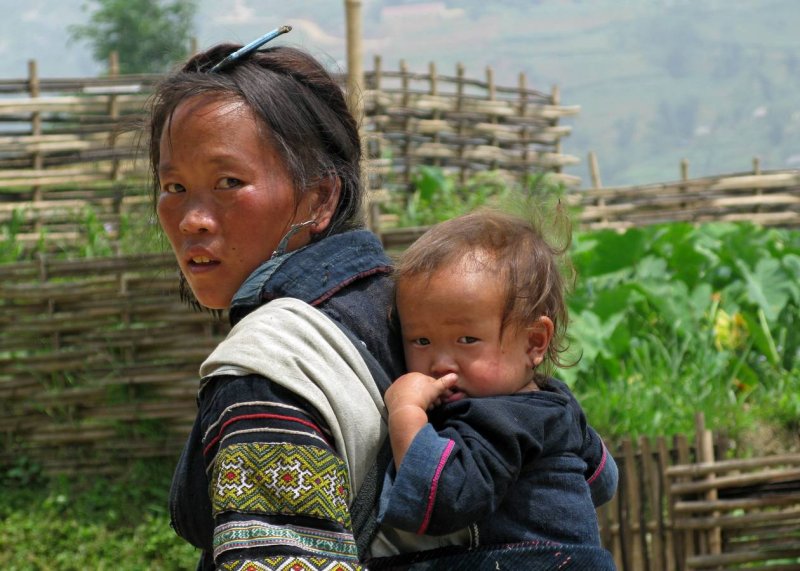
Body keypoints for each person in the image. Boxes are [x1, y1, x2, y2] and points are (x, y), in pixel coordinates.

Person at [149, 31, 409, 570]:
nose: (192, 218)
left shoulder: (267, 372)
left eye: (228, 181)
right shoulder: (406, 312)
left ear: (319, 196)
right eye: (174, 187)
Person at [373, 208, 618, 569]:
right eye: (421, 340)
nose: (441, 362)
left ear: (535, 342)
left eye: (467, 339)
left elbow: (442, 501)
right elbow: (601, 478)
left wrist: (406, 413)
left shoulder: (497, 421)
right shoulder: (557, 400)